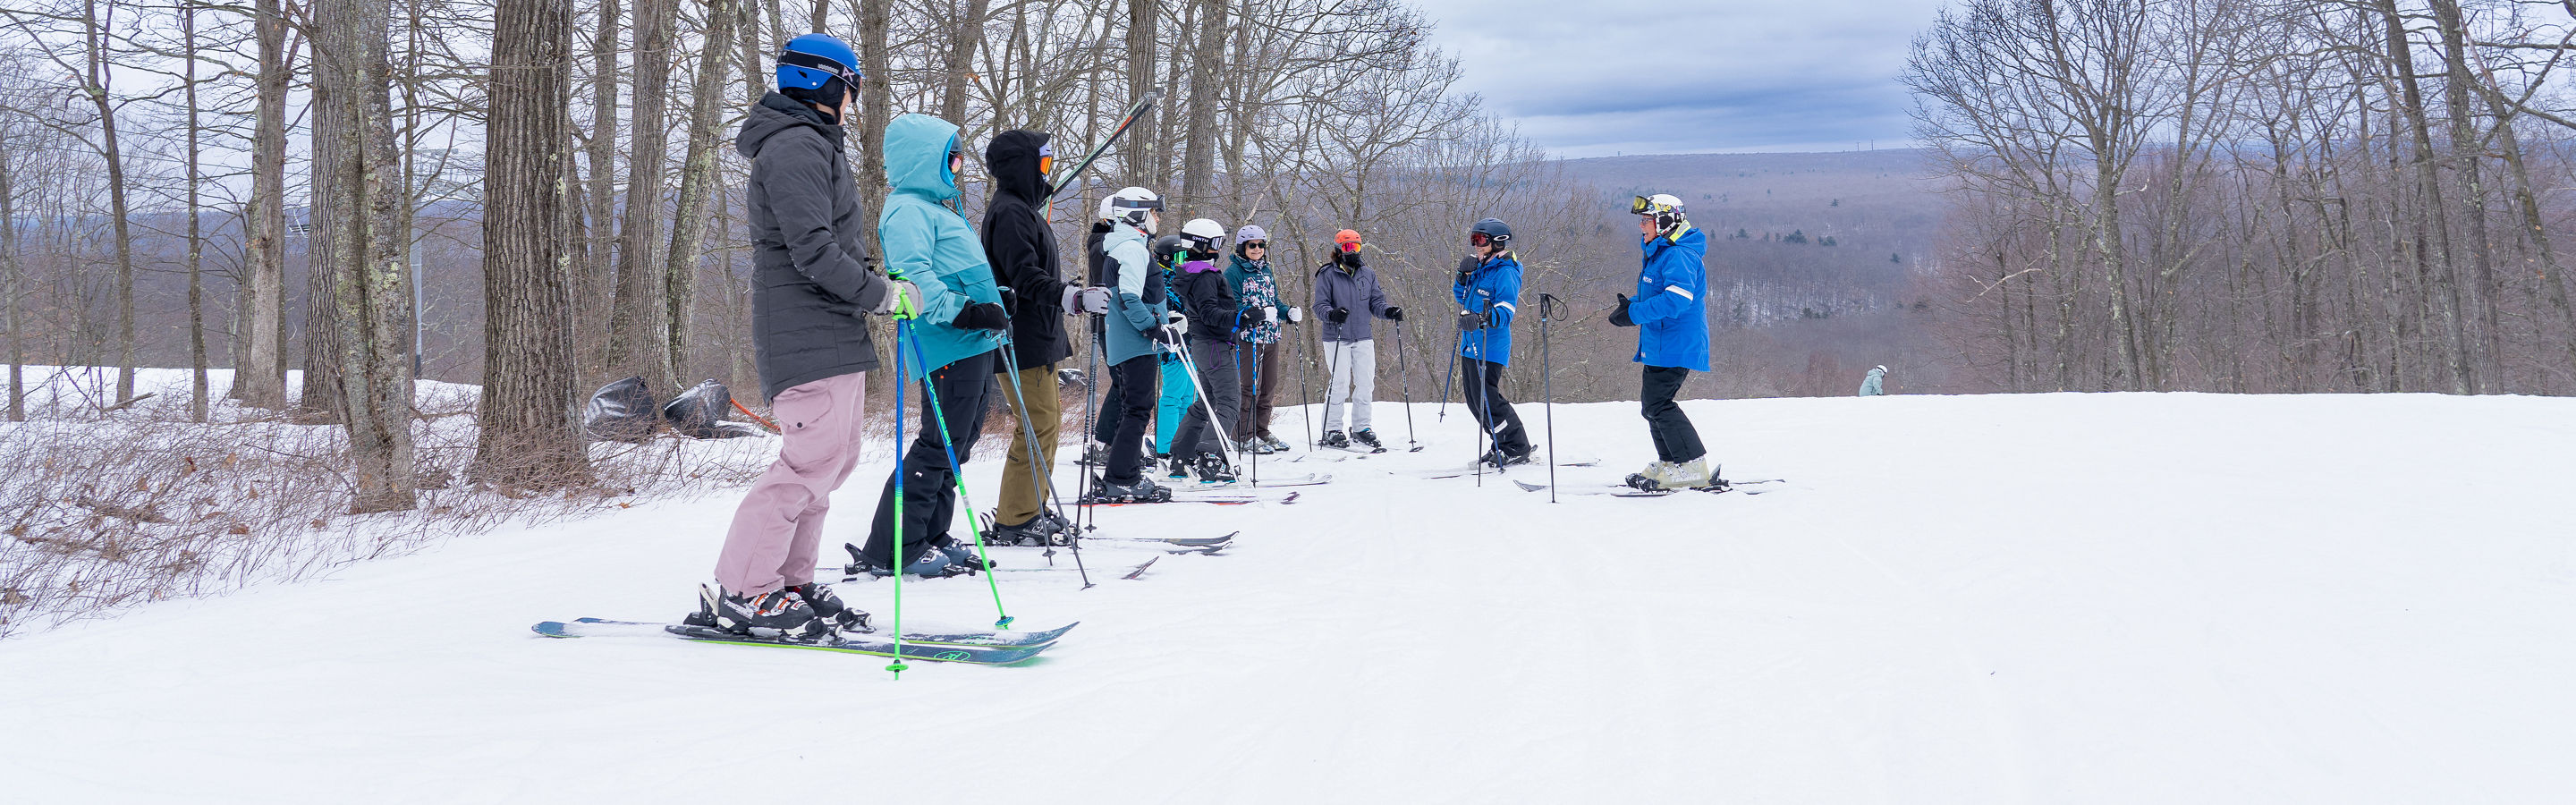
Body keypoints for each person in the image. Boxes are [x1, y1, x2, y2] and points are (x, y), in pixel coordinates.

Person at [700, 33, 913, 638]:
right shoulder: (794, 145)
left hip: (831, 327)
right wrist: (881, 295)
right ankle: (744, 590)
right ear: (827, 84)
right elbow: (813, 251)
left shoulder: (812, 144)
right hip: (805, 329)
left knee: (832, 462)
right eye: (852, 89)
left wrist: (875, 277)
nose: (853, 102)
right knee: (806, 464)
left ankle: (788, 579)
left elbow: (834, 242)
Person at [852, 113, 1011, 576]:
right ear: (925, 160)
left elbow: (961, 269)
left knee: (958, 444)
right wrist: (964, 311)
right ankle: (894, 547)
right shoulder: (906, 210)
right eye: (951, 158)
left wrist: (995, 299)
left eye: (959, 159)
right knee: (938, 444)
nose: (958, 166)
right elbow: (913, 277)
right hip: (947, 341)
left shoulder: (940, 208)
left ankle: (931, 532)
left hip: (975, 339)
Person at [980, 130, 1110, 546]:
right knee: (1038, 427)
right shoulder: (1011, 213)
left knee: (1047, 425)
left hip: (1039, 336)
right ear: (1023, 166)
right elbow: (1024, 277)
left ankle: (1030, 506)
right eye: (1043, 164)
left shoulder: (1021, 209)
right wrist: (1071, 296)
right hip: (1024, 339)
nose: (1047, 171)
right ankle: (1016, 518)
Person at [1608, 193, 1713, 489]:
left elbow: (1676, 301)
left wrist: (1635, 314)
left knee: (1659, 404)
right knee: (1651, 405)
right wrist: (1629, 307)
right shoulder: (1661, 251)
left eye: (1646, 220)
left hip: (1676, 344)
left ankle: (1692, 465)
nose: (1641, 226)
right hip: (1660, 343)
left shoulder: (1678, 254)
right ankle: (1672, 462)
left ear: (1665, 221)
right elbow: (1657, 295)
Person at [1086, 187, 1177, 502]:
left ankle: (1120, 473)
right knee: (1138, 409)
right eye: (1153, 212)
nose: (1156, 219)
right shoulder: (1133, 250)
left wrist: (1166, 318)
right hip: (1136, 343)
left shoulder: (1120, 245)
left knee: (1132, 408)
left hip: (1126, 340)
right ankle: (1123, 477)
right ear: (1137, 214)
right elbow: (1128, 297)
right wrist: (1153, 328)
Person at [1166, 218, 1244, 482]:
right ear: (1201, 246)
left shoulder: (1191, 273)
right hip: (1214, 346)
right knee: (1229, 402)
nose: (1218, 249)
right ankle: (1210, 457)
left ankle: (1181, 455)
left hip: (1203, 345)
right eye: (1215, 244)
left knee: (1208, 402)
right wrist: (1240, 318)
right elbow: (1210, 313)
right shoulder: (1205, 277)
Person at [1454, 217, 1533, 467]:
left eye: (1481, 240)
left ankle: (1516, 445)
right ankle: (1500, 442)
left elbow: (1506, 310)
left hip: (1490, 346)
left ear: (1498, 243)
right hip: (1470, 344)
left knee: (1487, 398)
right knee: (1474, 401)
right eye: (1474, 239)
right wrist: (1462, 277)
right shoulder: (1481, 268)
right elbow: (1462, 297)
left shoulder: (1506, 272)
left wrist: (1480, 319)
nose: (1476, 245)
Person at [1313, 229, 1400, 451]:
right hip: (1337, 336)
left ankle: (1361, 427)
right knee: (1340, 383)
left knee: (1365, 383)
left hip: (1362, 336)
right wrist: (1332, 314)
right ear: (1338, 249)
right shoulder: (1327, 274)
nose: (1353, 251)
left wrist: (1389, 311)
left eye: (1357, 247)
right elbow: (1319, 305)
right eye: (1348, 247)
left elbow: (1376, 303)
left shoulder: (1368, 274)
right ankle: (1331, 428)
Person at [1226, 225, 1298, 454]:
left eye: (1261, 245)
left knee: (1268, 385)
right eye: (1252, 245)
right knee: (1248, 387)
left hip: (1271, 335)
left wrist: (1287, 312)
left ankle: (1261, 430)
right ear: (1242, 247)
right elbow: (1233, 305)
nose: (1257, 249)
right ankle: (1242, 435)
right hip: (1249, 337)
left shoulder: (1266, 270)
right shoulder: (1234, 273)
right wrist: (1254, 314)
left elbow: (1274, 301)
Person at [1148, 235, 1195, 464]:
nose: (1182, 260)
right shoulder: (1160, 278)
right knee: (1173, 395)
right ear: (1166, 257)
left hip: (1190, 343)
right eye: (1179, 256)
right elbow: (1166, 308)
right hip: (1173, 346)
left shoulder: (1181, 276)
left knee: (1188, 395)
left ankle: (1184, 441)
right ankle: (1165, 446)